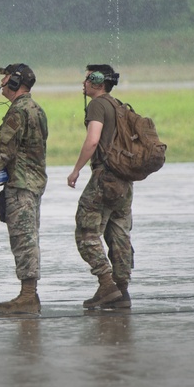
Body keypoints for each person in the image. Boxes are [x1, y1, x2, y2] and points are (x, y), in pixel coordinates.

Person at [0, 63, 48, 315]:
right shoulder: (37, 109)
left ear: (15, 82)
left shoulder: (18, 112)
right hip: (33, 182)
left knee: (23, 239)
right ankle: (29, 295)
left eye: (6, 78)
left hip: (21, 185)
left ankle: (28, 296)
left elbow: (5, 149)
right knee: (29, 237)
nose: (2, 82)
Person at [67, 64, 133, 310]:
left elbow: (93, 139)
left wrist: (76, 170)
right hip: (124, 180)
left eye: (86, 79)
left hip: (105, 177)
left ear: (96, 81)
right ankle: (121, 290)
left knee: (86, 231)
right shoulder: (119, 105)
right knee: (119, 234)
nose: (83, 84)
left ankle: (107, 284)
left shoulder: (97, 104)